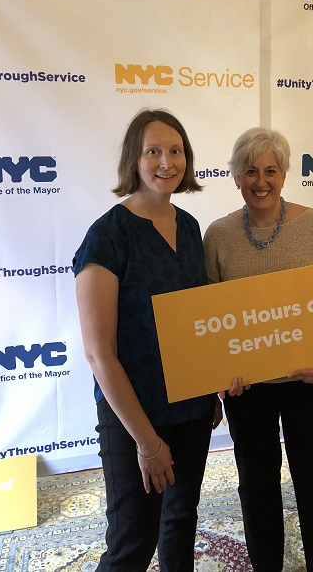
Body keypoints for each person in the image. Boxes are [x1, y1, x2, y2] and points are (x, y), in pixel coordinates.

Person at [73, 109, 217, 572]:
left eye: (175, 150)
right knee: (132, 544)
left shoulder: (192, 228)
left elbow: (198, 322)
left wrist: (211, 385)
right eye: (153, 150)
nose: (166, 161)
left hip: (191, 407)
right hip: (133, 414)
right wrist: (146, 442)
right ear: (134, 159)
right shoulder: (108, 235)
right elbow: (99, 354)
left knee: (180, 521)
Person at [203, 127, 313, 572]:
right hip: (248, 391)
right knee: (257, 486)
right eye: (250, 171)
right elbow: (209, 320)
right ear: (235, 177)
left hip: (312, 383)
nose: (260, 180)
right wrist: (217, 381)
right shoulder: (218, 236)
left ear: (284, 174)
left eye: (270, 170)